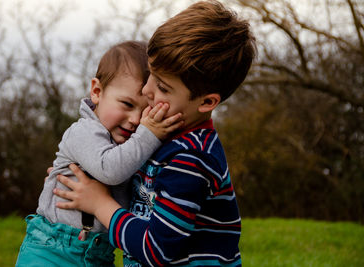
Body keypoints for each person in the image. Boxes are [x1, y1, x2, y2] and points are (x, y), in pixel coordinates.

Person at [54, 1, 256, 266]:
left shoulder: (192, 157)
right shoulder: (160, 134)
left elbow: (155, 250)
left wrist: (99, 204)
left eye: (161, 86)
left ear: (207, 103)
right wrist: (75, 173)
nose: (147, 90)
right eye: (151, 74)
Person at [15, 41, 183, 267]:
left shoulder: (133, 147)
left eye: (146, 112)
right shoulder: (84, 131)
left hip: (99, 254)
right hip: (52, 249)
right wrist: (150, 133)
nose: (135, 120)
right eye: (126, 104)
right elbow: (111, 170)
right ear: (97, 91)